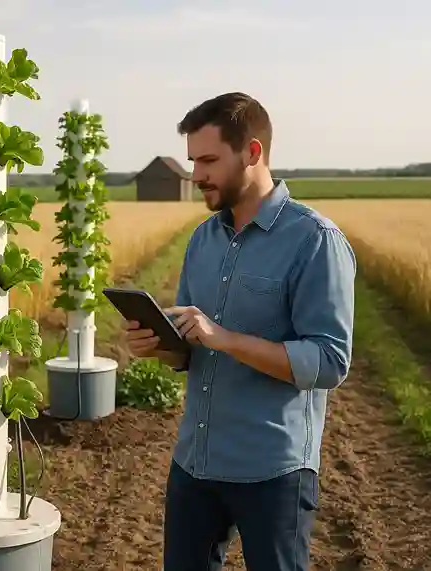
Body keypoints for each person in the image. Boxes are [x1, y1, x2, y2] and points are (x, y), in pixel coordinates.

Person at [124, 92, 356, 571]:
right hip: (195, 463)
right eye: (193, 161)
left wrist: (223, 337)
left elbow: (330, 362)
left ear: (253, 153)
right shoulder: (203, 239)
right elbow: (190, 350)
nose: (196, 175)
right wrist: (161, 347)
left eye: (208, 160)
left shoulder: (315, 240)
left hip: (273, 471)